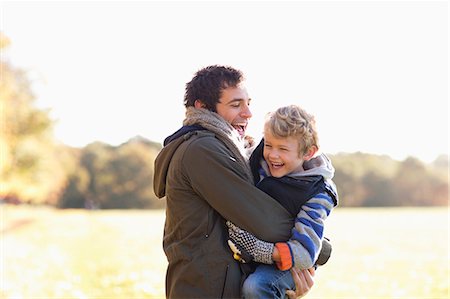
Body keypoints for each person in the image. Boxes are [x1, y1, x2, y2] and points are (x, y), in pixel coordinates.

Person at [153, 65, 315, 298]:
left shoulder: (233, 149)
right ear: (203, 107)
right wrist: (316, 247)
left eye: (248, 103)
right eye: (236, 104)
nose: (248, 113)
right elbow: (264, 222)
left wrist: (282, 281)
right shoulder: (202, 150)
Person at [227, 105, 338, 299]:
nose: (272, 155)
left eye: (283, 149)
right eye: (269, 145)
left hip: (291, 260)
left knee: (256, 287)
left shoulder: (318, 193)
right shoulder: (260, 159)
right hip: (262, 248)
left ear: (308, 153)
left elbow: (305, 254)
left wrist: (258, 250)